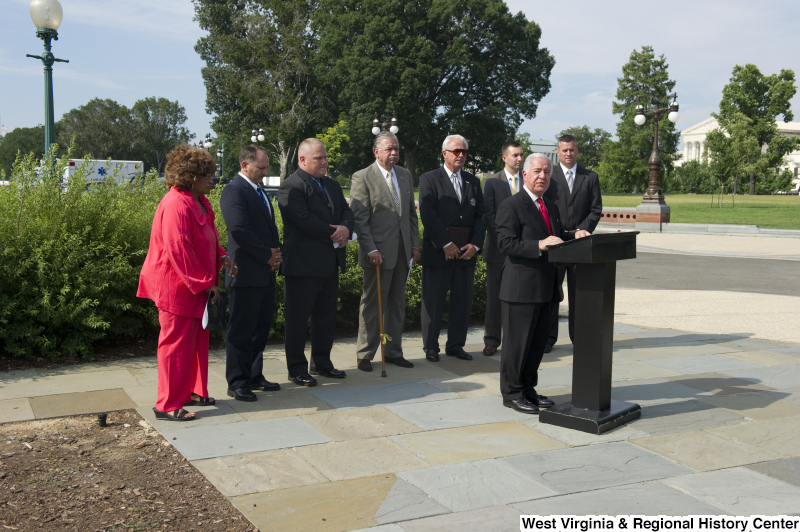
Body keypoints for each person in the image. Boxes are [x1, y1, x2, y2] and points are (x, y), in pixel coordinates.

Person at [137, 145, 236, 421]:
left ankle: (193, 390)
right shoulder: (175, 204)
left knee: (196, 340)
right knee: (175, 345)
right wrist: (207, 283)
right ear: (191, 176)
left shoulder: (198, 201)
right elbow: (178, 248)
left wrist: (223, 256)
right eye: (207, 174)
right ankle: (167, 405)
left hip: (193, 286)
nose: (212, 179)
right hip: (176, 287)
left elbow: (207, 237)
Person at [496, 153, 590, 414]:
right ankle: (512, 393)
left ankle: (528, 389)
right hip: (521, 290)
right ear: (524, 174)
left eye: (547, 172)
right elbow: (504, 242)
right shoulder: (511, 205)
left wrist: (575, 235)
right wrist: (538, 245)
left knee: (536, 345)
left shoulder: (550, 205)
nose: (542, 176)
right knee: (517, 346)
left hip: (547, 289)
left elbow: (556, 236)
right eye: (537, 171)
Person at [278, 138, 355, 386]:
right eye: (318, 159)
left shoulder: (331, 184)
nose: (324, 162)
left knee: (326, 317)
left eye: (325, 158)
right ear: (302, 160)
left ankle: (322, 363)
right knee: (298, 320)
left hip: (329, 263)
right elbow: (303, 220)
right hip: (302, 266)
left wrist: (345, 227)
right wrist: (336, 233)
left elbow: (347, 211)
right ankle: (297, 369)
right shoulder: (291, 187)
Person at [350, 131, 420, 372]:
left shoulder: (405, 175)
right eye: (389, 149)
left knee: (397, 303)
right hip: (377, 253)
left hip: (402, 251)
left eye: (396, 149)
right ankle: (365, 354)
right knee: (372, 303)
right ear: (376, 151)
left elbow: (411, 214)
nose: (394, 153)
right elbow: (361, 219)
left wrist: (414, 245)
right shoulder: (363, 177)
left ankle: (393, 351)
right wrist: (371, 248)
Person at [219, 145, 283, 402]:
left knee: (260, 328)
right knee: (241, 330)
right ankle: (237, 381)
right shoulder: (234, 190)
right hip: (245, 273)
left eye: (267, 167)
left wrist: (277, 254)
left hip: (264, 273)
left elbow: (269, 229)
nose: (265, 173)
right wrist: (266, 254)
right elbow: (239, 230)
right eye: (261, 168)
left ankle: (254, 375)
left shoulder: (260, 191)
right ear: (245, 165)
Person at [418, 134, 486, 362]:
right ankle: (431, 347)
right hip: (439, 252)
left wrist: (476, 244)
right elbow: (428, 214)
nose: (461, 155)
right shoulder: (429, 178)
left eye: (464, 152)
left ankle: (456, 345)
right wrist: (445, 244)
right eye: (456, 151)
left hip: (466, 253)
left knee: (462, 301)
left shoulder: (472, 182)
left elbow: (481, 216)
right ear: (444, 153)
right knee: (434, 301)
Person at [544, 134, 602, 351]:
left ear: (577, 151)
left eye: (572, 150)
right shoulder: (549, 176)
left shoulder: (590, 177)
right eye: (564, 150)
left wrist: (583, 229)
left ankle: (579, 338)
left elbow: (595, 209)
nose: (568, 153)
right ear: (558, 152)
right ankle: (549, 339)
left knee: (579, 293)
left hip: (580, 243)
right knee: (552, 292)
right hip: (557, 241)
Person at [481, 140, 524, 357]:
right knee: (495, 297)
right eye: (515, 155)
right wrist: (507, 242)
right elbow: (490, 216)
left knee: (520, 297)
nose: (519, 159)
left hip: (524, 250)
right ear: (504, 158)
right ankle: (491, 340)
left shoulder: (529, 181)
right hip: (499, 250)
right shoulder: (492, 182)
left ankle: (515, 340)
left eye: (521, 155)